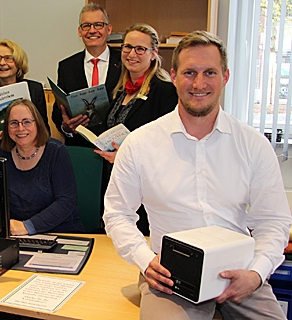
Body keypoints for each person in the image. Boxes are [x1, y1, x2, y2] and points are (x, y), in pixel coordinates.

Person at [103, 30, 292, 319]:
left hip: (240, 272)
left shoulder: (253, 145)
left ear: (225, 77)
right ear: (173, 75)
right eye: (190, 72)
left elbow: (273, 221)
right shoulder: (141, 144)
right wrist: (145, 261)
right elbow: (116, 213)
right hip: (170, 277)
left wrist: (256, 273)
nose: (199, 83)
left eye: (210, 73)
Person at [94, 23, 178, 235]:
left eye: (140, 49)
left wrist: (126, 155)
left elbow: (171, 145)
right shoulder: (119, 90)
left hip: (146, 188)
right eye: (127, 47)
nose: (132, 54)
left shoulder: (164, 90)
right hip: (116, 180)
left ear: (153, 54)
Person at [0, 98, 84, 236]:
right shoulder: (0, 155)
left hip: (61, 233)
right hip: (17, 236)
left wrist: (27, 227)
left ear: (38, 124)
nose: (20, 128)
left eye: (27, 122)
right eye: (13, 123)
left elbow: (66, 202)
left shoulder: (56, 152)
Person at [51, 3, 121, 146]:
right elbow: (58, 112)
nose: (92, 30)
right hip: (80, 146)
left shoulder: (125, 63)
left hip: (117, 147)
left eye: (98, 25)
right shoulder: (66, 67)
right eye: (86, 26)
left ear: (109, 29)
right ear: (79, 31)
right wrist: (66, 127)